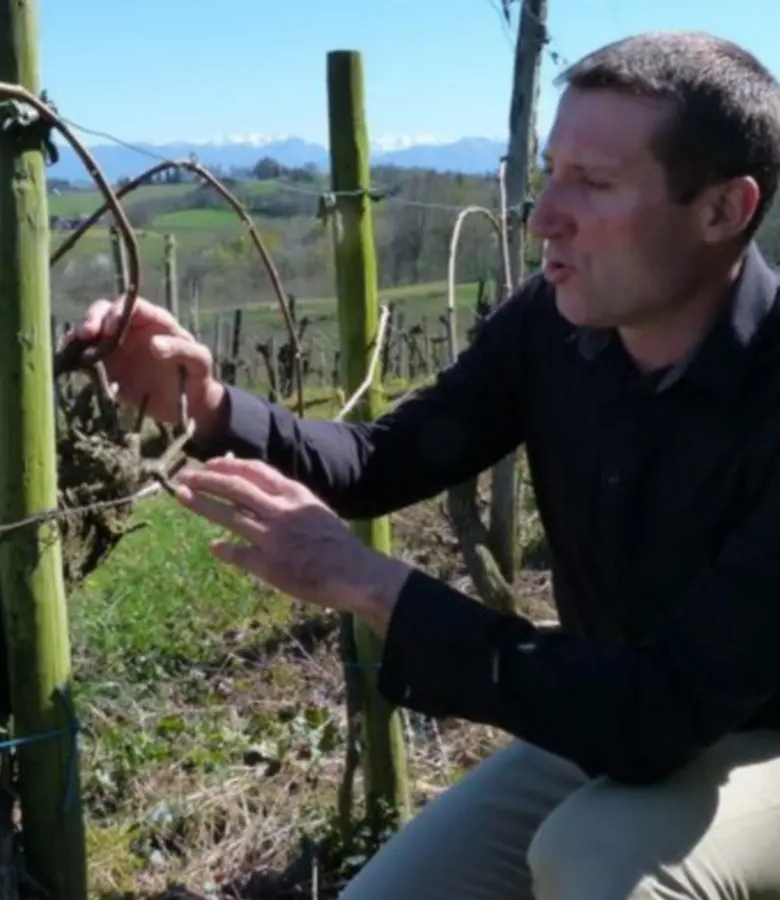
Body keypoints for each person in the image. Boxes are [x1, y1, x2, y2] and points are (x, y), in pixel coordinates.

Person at [72, 29, 780, 900]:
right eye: (550, 171)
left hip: (741, 736)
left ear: (722, 210)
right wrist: (209, 406)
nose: (544, 214)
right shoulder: (550, 328)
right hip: (603, 711)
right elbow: (384, 460)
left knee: (600, 865)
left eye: (593, 183)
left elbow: (663, 711)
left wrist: (373, 585)